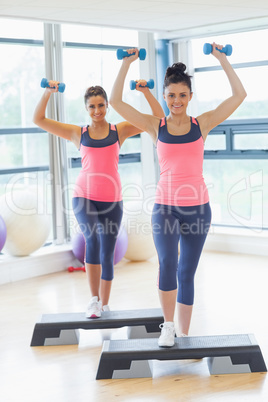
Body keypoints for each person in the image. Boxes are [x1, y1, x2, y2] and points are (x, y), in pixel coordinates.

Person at [110, 45, 247, 346]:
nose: (176, 101)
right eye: (171, 95)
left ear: (190, 97)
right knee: (168, 262)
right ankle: (168, 326)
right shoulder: (154, 126)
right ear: (164, 96)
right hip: (165, 208)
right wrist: (127, 64)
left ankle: (184, 332)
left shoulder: (203, 124)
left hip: (199, 209)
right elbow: (116, 101)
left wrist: (221, 59)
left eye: (182, 95)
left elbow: (239, 96)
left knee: (187, 271)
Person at [33, 80, 164, 318]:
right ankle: (93, 300)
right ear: (86, 108)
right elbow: (39, 120)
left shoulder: (120, 130)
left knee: (108, 252)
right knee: (91, 239)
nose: (97, 111)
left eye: (101, 105)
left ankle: (104, 303)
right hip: (83, 196)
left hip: (113, 200)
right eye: (92, 106)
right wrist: (47, 93)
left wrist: (146, 92)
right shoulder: (78, 133)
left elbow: (158, 118)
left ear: (107, 106)